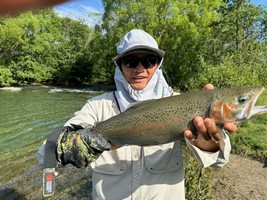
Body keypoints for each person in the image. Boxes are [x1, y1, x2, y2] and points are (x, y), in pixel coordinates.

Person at [38, 29, 237, 199]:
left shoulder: (183, 103)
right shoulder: (97, 107)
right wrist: (71, 145)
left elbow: (219, 163)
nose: (140, 68)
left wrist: (209, 145)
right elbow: (44, 154)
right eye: (131, 61)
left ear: (158, 64)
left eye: (149, 61)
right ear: (120, 66)